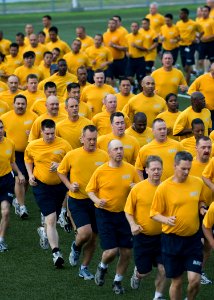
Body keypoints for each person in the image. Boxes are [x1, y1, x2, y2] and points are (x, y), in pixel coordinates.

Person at [151, 151, 207, 300]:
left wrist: (202, 207)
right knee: (177, 281)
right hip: (172, 240)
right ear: (175, 166)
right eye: (183, 169)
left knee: (195, 280)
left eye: (189, 168)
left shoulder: (197, 182)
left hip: (193, 240)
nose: (187, 172)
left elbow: (200, 199)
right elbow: (153, 213)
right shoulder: (164, 188)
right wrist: (165, 219)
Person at [86, 139, 140, 294]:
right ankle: (102, 267)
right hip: (105, 214)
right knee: (111, 250)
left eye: (121, 148)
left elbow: (141, 189)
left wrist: (135, 187)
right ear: (109, 152)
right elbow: (90, 190)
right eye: (116, 149)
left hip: (125, 215)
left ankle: (117, 281)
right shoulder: (101, 171)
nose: (119, 152)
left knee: (127, 252)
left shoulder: (130, 170)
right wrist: (97, 200)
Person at [57, 125, 108, 279]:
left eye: (94, 139)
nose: (92, 142)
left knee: (93, 238)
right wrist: (69, 185)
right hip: (77, 200)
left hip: (96, 203)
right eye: (89, 139)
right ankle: (76, 246)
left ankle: (84, 268)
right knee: (85, 233)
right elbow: (61, 171)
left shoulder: (104, 156)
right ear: (82, 139)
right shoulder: (72, 155)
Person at [24, 119, 71, 267]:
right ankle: (56, 253)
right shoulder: (33, 145)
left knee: (54, 218)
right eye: (47, 133)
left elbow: (71, 162)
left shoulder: (64, 144)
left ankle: (43, 232)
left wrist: (60, 165)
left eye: (52, 133)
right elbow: (27, 159)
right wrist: (30, 175)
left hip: (59, 186)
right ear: (42, 132)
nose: (50, 136)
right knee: (51, 219)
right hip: (41, 186)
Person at [125, 156, 166, 299]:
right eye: (153, 169)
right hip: (142, 238)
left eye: (159, 169)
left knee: (163, 269)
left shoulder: (166, 188)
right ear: (146, 170)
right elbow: (128, 211)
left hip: (163, 238)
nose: (156, 172)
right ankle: (137, 275)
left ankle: (158, 296)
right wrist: (133, 225)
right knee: (145, 272)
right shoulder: (138, 189)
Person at [1, 94, 37, 218]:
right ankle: (22, 207)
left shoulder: (33, 117)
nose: (20, 106)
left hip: (28, 153)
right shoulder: (5, 117)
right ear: (13, 104)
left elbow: (38, 135)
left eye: (23, 104)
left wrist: (31, 135)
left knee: (25, 179)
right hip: (13, 153)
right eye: (18, 103)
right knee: (19, 178)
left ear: (26, 105)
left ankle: (17, 200)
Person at [189, 135, 213, 285]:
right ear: (196, 148)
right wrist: (200, 206)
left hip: (211, 208)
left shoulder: (213, 163)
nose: (206, 150)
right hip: (194, 208)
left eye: (209, 147)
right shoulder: (188, 165)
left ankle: (200, 271)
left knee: (208, 244)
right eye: (203, 147)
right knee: (197, 241)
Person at [0, 119, 25, 251]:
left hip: (5, 181)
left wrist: (20, 173)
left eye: (1, 128)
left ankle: (1, 239)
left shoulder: (10, 143)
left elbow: (12, 162)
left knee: (5, 212)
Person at [176, 8, 203, 84]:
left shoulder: (193, 24)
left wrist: (198, 39)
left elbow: (202, 31)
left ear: (186, 14)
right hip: (182, 46)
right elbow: (177, 35)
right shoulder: (178, 23)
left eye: (181, 14)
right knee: (185, 67)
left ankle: (186, 84)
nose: (180, 15)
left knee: (188, 65)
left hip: (191, 46)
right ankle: (194, 72)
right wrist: (178, 38)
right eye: (180, 13)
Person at [188, 62, 214, 127]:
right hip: (205, 110)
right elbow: (191, 91)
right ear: (210, 70)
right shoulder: (202, 79)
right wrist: (199, 101)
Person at [125, 22, 147, 87]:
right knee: (129, 77)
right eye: (132, 26)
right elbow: (126, 48)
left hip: (140, 59)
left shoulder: (142, 36)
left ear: (138, 28)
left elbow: (145, 49)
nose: (134, 28)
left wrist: (137, 46)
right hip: (131, 60)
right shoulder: (127, 37)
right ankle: (135, 85)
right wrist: (127, 53)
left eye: (135, 26)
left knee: (141, 79)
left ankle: (139, 89)